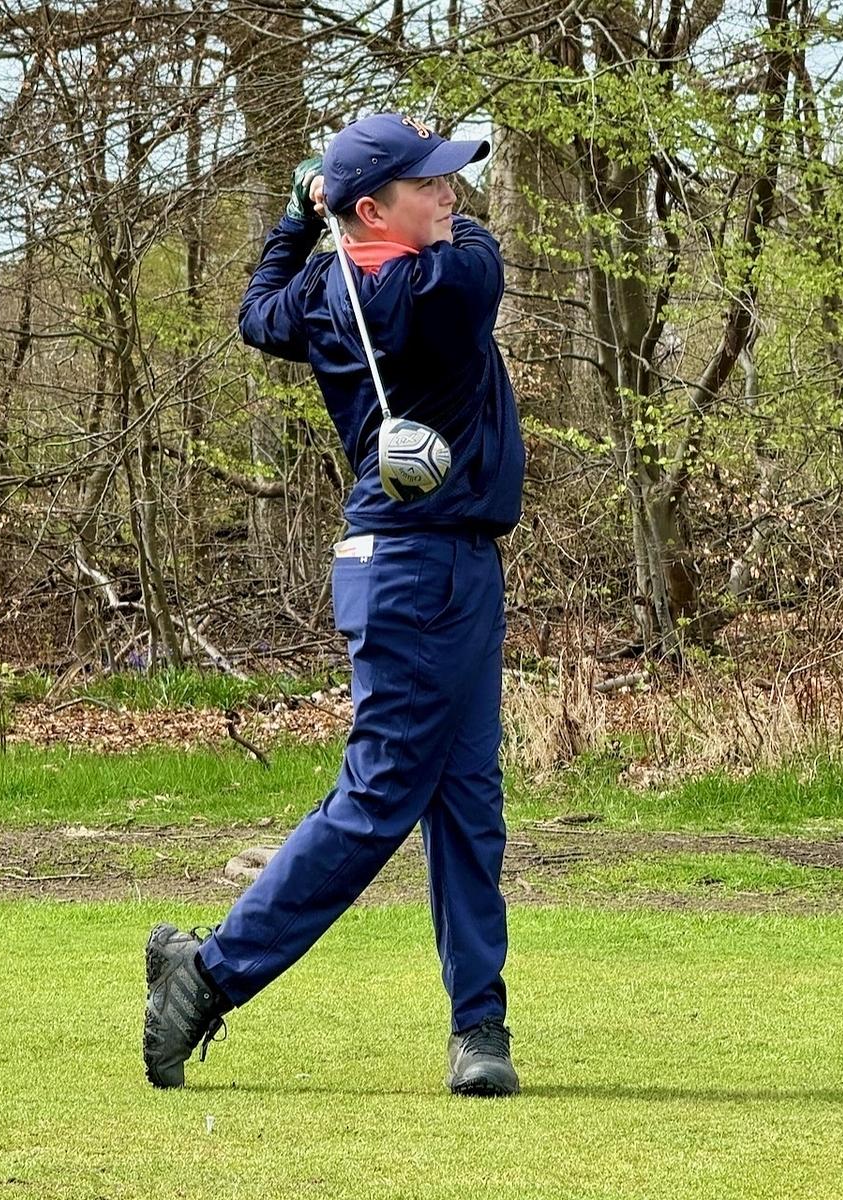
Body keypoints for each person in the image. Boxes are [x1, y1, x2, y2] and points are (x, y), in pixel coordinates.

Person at [143, 112, 526, 1097]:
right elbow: (476, 251)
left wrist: (296, 214)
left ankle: (479, 1029)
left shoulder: (321, 292)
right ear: (374, 209)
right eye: (429, 186)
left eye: (451, 183)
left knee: (467, 802)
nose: (452, 198)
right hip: (419, 569)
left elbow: (255, 309)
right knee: (382, 796)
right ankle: (210, 976)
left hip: (430, 564)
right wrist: (344, 211)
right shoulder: (449, 285)